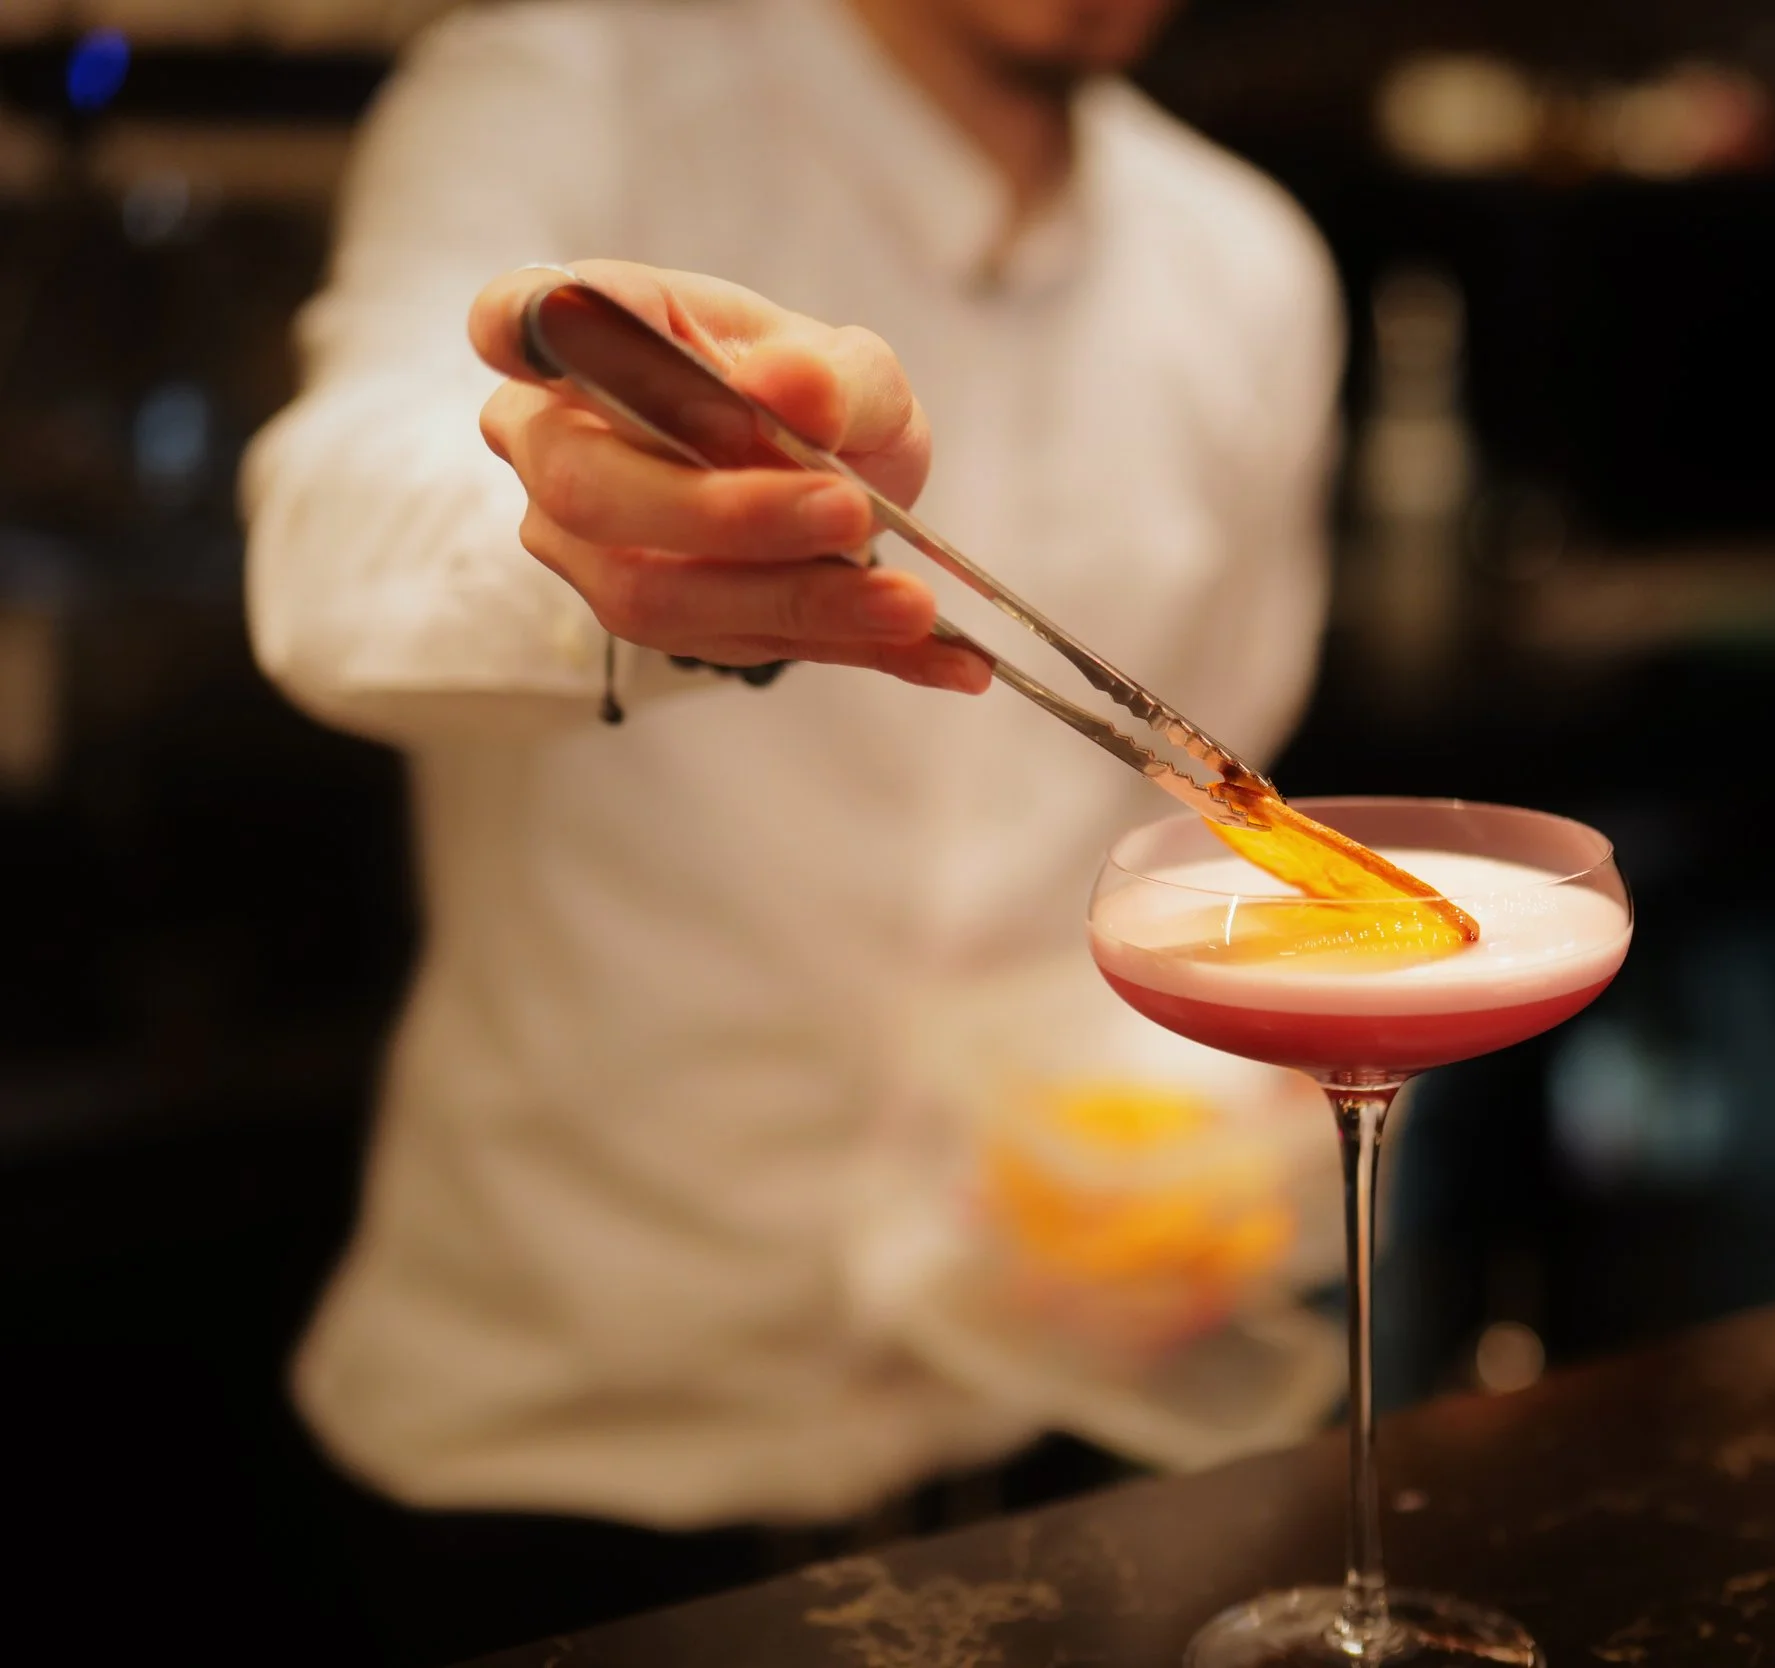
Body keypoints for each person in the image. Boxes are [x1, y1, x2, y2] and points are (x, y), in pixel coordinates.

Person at [241, 0, 1341, 1656]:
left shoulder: (1251, 266)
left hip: (1053, 1449)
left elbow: (1197, 825)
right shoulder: (568, 78)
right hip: (562, 1470)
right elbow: (334, 542)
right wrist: (612, 546)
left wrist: (1218, 1128)